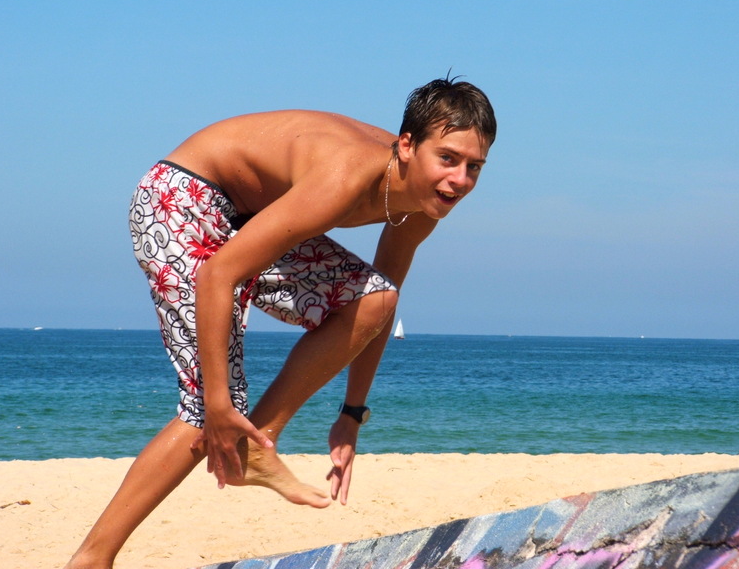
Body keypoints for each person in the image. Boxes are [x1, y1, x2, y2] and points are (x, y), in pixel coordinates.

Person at [65, 76, 497, 569]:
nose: (460, 180)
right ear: (407, 146)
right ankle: (91, 561)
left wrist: (352, 414)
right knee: (205, 415)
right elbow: (218, 275)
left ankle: (257, 442)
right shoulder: (347, 175)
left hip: (249, 214)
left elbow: (376, 309)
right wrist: (218, 401)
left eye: (474, 167)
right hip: (181, 200)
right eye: (448, 159)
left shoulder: (422, 205)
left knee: (377, 298)